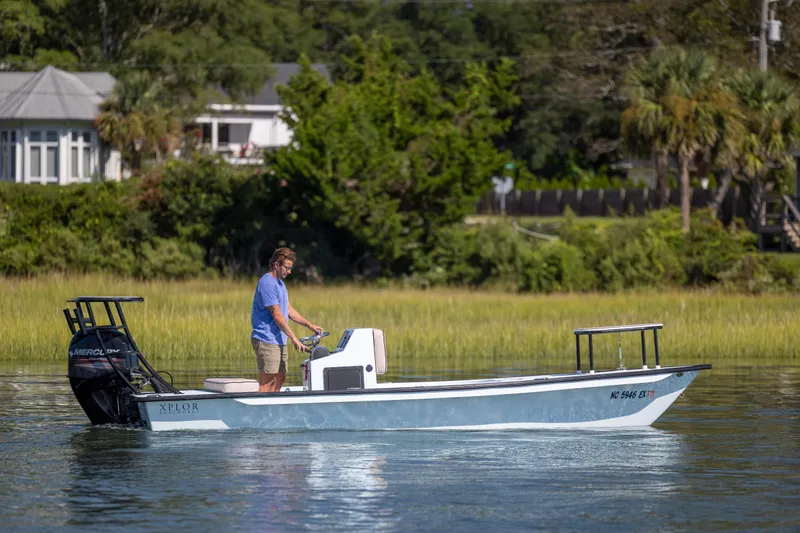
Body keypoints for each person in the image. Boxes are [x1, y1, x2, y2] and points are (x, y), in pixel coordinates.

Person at [251, 247, 322, 392]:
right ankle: (261, 405)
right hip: (266, 338)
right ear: (276, 264)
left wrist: (309, 325)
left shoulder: (281, 285)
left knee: (280, 377)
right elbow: (277, 315)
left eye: (290, 268)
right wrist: (294, 338)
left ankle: (273, 404)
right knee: (268, 380)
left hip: (279, 339)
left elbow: (288, 309)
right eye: (287, 268)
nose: (289, 272)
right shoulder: (267, 283)